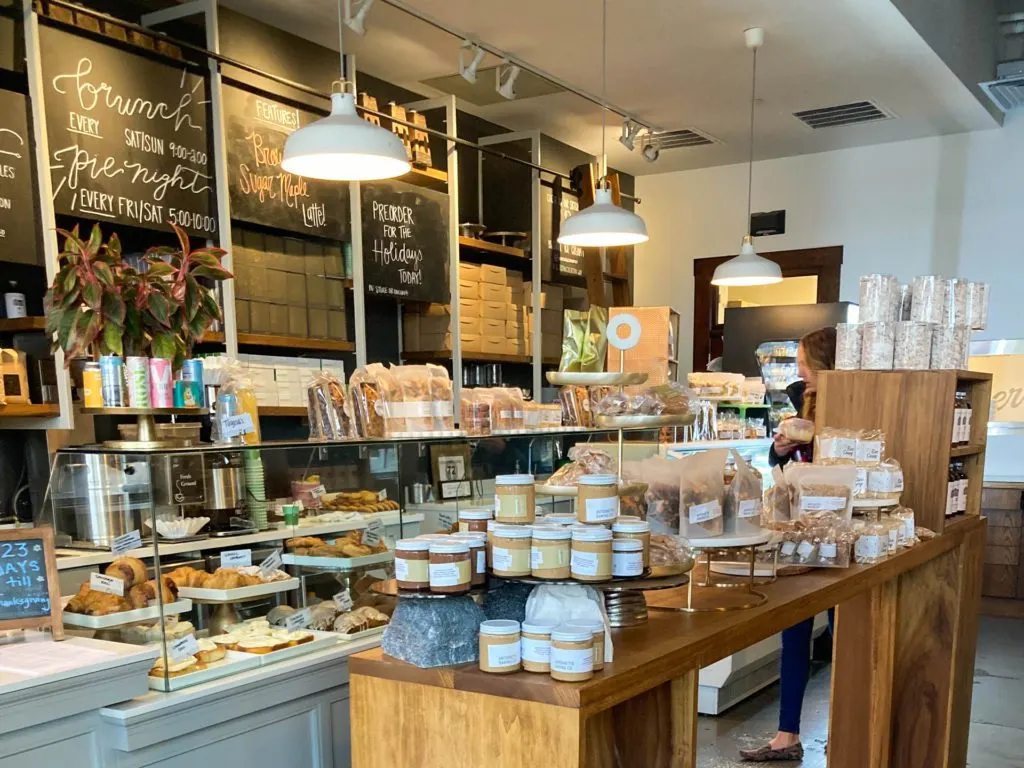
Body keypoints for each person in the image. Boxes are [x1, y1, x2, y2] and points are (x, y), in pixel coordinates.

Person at [740, 326, 837, 763]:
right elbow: (783, 463)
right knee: (794, 629)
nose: (800, 371)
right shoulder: (802, 398)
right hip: (801, 532)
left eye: (805, 363)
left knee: (846, 635)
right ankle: (786, 735)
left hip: (840, 535)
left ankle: (845, 726)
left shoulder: (856, 400)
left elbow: (842, 464)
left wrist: (815, 443)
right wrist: (780, 449)